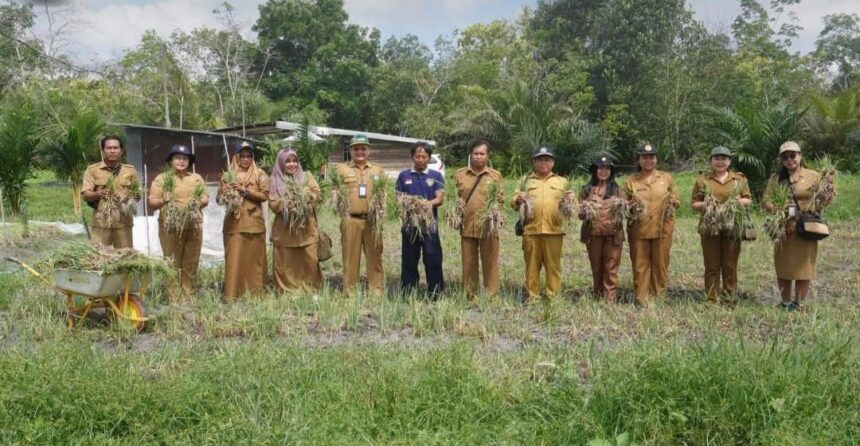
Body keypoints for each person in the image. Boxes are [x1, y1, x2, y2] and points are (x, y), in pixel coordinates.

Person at [763, 141, 825, 310]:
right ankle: (785, 302)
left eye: (792, 155)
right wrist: (779, 209)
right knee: (783, 265)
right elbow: (766, 200)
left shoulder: (813, 176)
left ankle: (798, 303)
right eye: (785, 157)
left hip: (805, 227)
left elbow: (823, 199)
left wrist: (810, 208)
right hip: (784, 228)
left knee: (804, 267)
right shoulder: (776, 178)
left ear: (800, 156)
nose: (789, 159)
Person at [148, 144, 209, 302]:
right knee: (172, 262)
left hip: (193, 225)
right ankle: (174, 299)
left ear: (189, 161)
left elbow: (205, 198)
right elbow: (152, 202)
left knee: (191, 261)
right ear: (171, 160)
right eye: (178, 158)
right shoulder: (162, 179)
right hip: (170, 227)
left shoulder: (196, 178)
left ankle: (188, 297)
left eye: (185, 158)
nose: (181, 161)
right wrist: (163, 200)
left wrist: (199, 202)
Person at [691, 146, 752, 304]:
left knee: (730, 264)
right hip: (710, 226)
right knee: (712, 265)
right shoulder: (703, 180)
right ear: (711, 161)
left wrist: (738, 201)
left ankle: (729, 297)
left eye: (724, 158)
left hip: (732, 226)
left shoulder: (738, 179)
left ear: (729, 161)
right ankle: (712, 298)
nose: (720, 162)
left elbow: (748, 199)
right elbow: (694, 204)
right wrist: (707, 204)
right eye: (716, 158)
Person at [512, 146, 570, 302]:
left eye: (547, 159)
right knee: (531, 267)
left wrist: (571, 200)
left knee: (553, 267)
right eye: (540, 160)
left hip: (554, 231)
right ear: (534, 162)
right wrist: (518, 199)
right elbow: (514, 202)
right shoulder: (525, 181)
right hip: (531, 231)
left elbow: (571, 206)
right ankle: (533, 297)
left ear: (553, 162)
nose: (543, 163)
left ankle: (553, 297)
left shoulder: (562, 182)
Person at [624, 144, 680, 306]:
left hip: (662, 229)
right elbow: (623, 204)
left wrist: (673, 201)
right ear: (639, 160)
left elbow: (677, 201)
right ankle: (641, 299)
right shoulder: (631, 180)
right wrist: (630, 205)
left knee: (660, 264)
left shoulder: (666, 178)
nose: (648, 160)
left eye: (651, 157)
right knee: (640, 265)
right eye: (644, 157)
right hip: (639, 230)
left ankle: (658, 297)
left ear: (656, 159)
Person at [335, 134, 387, 296]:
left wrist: (381, 205)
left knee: (375, 256)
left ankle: (376, 290)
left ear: (368, 150)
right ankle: (350, 292)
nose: (360, 152)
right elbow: (335, 192)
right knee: (350, 257)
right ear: (350, 150)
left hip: (373, 220)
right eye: (356, 149)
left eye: (363, 148)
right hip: (351, 220)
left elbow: (383, 193)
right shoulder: (342, 169)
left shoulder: (377, 169)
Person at [217, 142, 269, 300]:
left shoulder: (260, 174)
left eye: (249, 156)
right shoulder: (228, 175)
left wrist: (245, 190)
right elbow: (219, 200)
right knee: (234, 258)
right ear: (237, 157)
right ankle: (233, 293)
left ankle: (256, 294)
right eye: (242, 156)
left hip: (254, 223)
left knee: (254, 259)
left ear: (252, 157)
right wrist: (226, 192)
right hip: (234, 223)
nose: (246, 159)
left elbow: (264, 195)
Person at [453, 140, 504, 297]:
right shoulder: (460, 175)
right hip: (467, 226)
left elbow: (500, 199)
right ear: (471, 155)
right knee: (468, 263)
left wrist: (495, 211)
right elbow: (453, 198)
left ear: (487, 156)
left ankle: (491, 295)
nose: (479, 157)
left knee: (490, 262)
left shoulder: (495, 176)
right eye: (476, 153)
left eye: (482, 154)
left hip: (488, 228)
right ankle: (470, 295)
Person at [269, 147, 324, 291]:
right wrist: (286, 201)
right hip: (285, 231)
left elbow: (318, 195)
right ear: (281, 163)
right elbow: (272, 204)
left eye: (294, 161)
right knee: (286, 262)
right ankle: (287, 291)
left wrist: (307, 195)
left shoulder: (306, 176)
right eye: (287, 161)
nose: (292, 164)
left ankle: (311, 289)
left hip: (306, 229)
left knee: (309, 259)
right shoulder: (274, 180)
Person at [395, 142, 445, 296]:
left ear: (429, 158)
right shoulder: (404, 176)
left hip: (429, 226)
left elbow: (440, 198)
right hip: (410, 226)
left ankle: (436, 293)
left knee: (433, 258)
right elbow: (398, 197)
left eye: (424, 156)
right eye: (418, 156)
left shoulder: (436, 176)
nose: (421, 159)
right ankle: (408, 292)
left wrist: (425, 204)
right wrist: (409, 203)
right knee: (409, 260)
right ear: (412, 157)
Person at [578, 155, 626, 303]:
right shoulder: (586, 190)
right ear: (595, 170)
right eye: (600, 168)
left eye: (607, 168)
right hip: (593, 234)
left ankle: (610, 297)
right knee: (596, 265)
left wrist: (623, 205)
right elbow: (580, 214)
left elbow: (624, 211)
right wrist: (585, 209)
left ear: (611, 171)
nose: (603, 171)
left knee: (611, 266)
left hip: (613, 234)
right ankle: (597, 294)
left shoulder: (618, 190)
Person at [81, 135, 140, 249]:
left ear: (121, 151)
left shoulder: (130, 170)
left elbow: (137, 196)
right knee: (99, 255)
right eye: (109, 148)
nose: (112, 151)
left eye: (115, 148)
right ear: (103, 151)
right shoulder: (92, 170)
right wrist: (98, 194)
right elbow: (86, 195)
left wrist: (125, 197)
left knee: (125, 255)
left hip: (123, 224)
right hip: (101, 223)